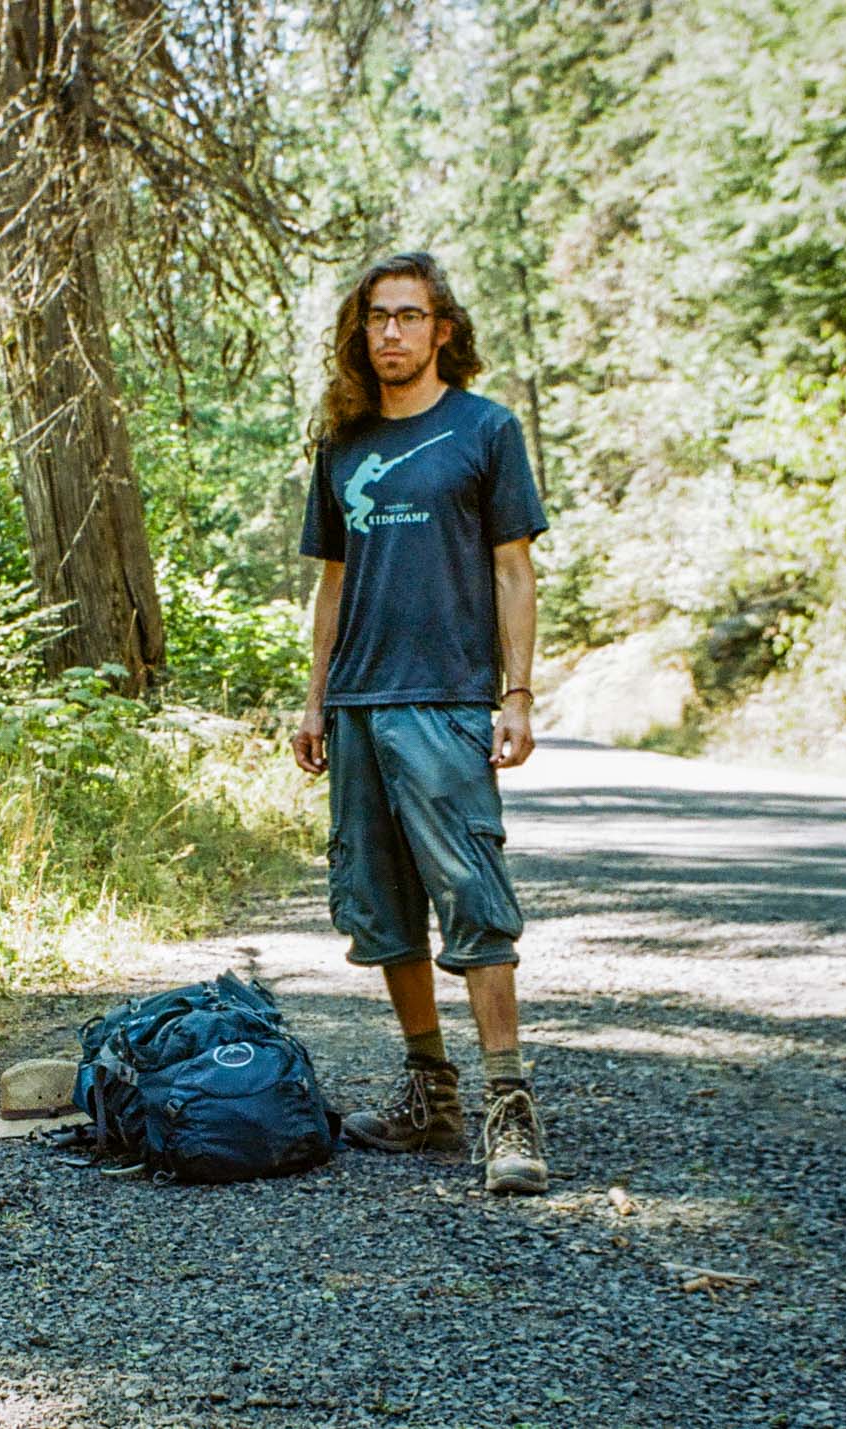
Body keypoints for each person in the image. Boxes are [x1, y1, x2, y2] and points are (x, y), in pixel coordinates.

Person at [292, 251, 551, 1195]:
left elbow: (513, 568)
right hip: (356, 704)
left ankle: (507, 1105)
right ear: (360, 333)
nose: (390, 332)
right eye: (375, 318)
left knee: (474, 898)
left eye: (409, 315)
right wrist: (315, 695)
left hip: (445, 699)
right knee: (379, 907)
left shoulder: (485, 429)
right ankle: (431, 1090)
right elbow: (333, 582)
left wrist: (516, 694)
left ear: (444, 328)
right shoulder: (343, 441)